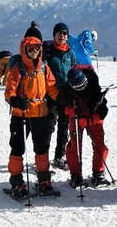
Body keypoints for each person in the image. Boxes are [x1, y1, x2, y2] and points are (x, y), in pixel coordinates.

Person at [4, 27, 61, 198]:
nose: (34, 51)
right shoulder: (18, 68)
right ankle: (16, 182)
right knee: (18, 147)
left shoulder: (44, 68)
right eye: (30, 48)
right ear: (25, 49)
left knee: (42, 148)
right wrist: (14, 100)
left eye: (37, 48)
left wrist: (61, 99)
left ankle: (44, 180)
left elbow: (51, 88)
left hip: (40, 114)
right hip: (20, 115)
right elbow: (9, 90)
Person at [61, 65, 110, 187]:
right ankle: (76, 175)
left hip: (93, 116)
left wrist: (92, 119)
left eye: (83, 84)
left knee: (100, 145)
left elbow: (103, 108)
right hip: (76, 117)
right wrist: (70, 110)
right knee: (74, 146)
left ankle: (98, 172)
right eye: (78, 87)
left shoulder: (93, 82)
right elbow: (63, 104)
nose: (81, 88)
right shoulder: (67, 89)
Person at [43, 23, 77, 169]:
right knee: (48, 126)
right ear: (54, 34)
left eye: (64, 33)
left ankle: (59, 156)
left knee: (64, 126)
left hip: (66, 95)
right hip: (50, 94)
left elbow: (75, 71)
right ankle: (43, 159)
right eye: (59, 32)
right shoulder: (48, 51)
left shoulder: (70, 53)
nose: (61, 35)